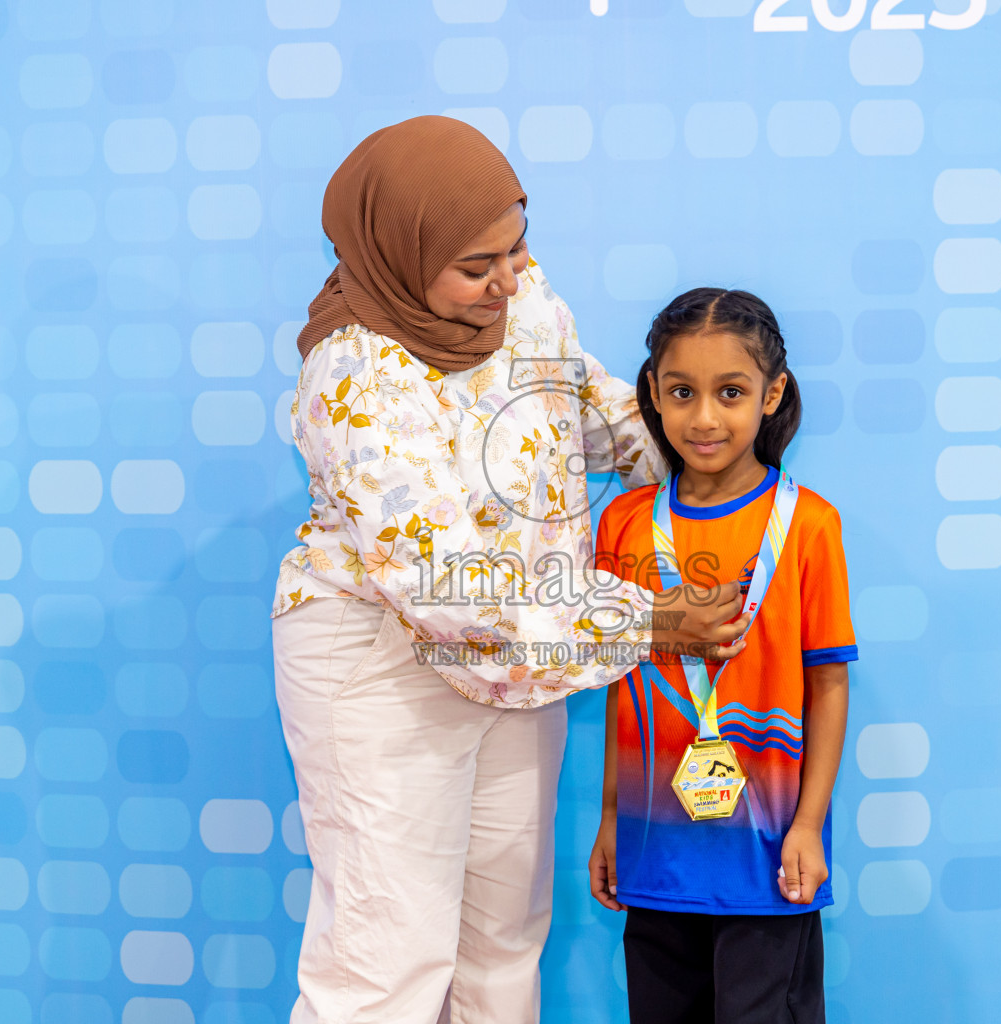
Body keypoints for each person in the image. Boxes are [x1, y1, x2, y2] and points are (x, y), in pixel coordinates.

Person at [271, 117, 750, 1024]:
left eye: (517, 244)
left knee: (503, 946)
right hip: (383, 667)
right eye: (475, 265)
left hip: (528, 656)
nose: (507, 279)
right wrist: (649, 622)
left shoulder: (523, 301)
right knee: (386, 959)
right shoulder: (355, 380)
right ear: (402, 256)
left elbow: (591, 407)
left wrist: (707, 447)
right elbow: (455, 598)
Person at [588, 288, 858, 1023]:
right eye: (682, 393)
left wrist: (807, 825)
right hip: (657, 850)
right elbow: (620, 686)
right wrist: (613, 817)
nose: (704, 417)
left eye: (730, 393)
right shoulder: (624, 523)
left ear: (772, 395)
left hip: (766, 856)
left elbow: (828, 686)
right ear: (653, 394)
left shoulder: (807, 525)